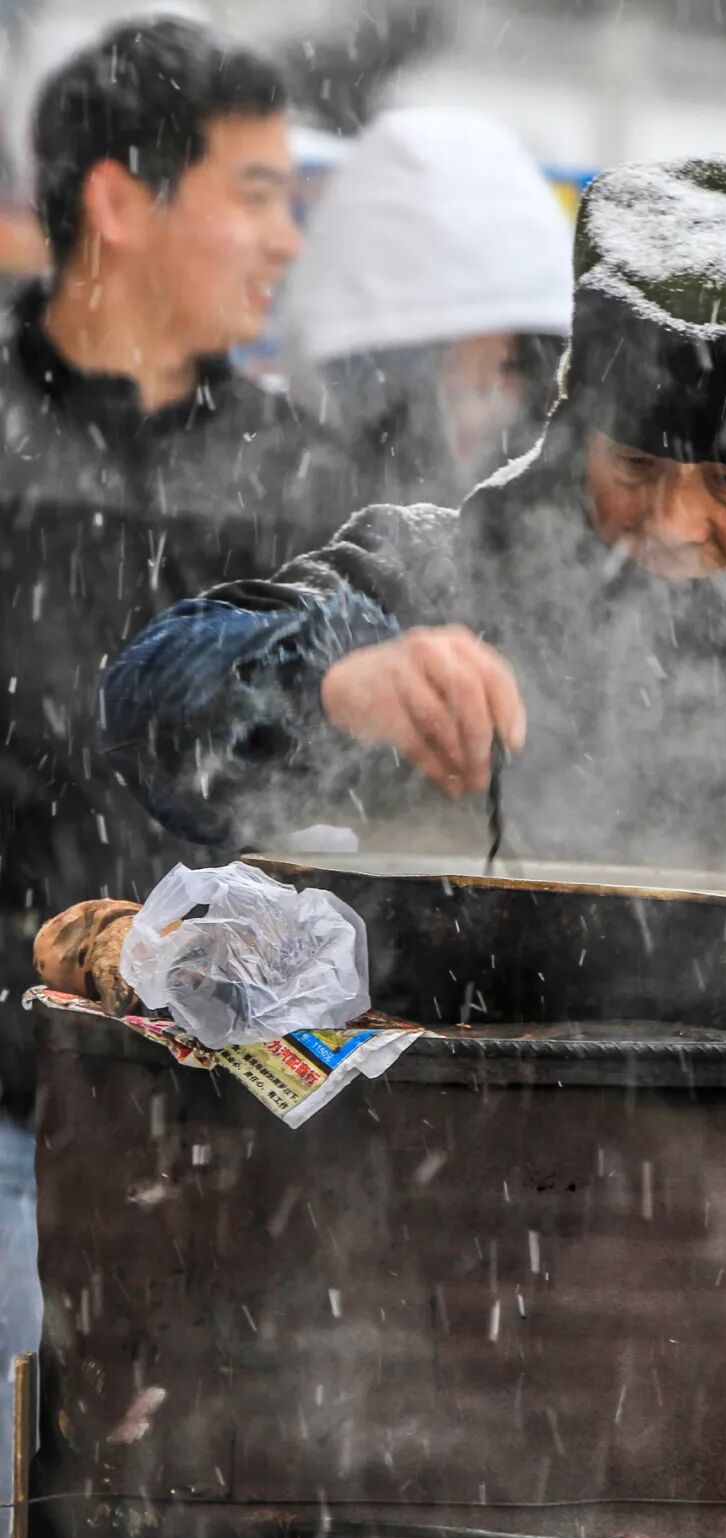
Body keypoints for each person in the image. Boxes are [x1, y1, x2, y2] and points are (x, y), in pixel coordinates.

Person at [101, 154, 726, 1107]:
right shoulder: (442, 578)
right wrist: (330, 679)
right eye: (635, 466)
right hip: (440, 1193)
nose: (670, 523)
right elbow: (152, 703)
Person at [0, 14, 367, 1112]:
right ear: (118, 204)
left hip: (240, 1120)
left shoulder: (307, 477)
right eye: (254, 195)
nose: (286, 240)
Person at [281, 105, 573, 508]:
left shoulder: (560, 514)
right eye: (448, 369)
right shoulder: (292, 500)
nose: (475, 413)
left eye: (507, 368)